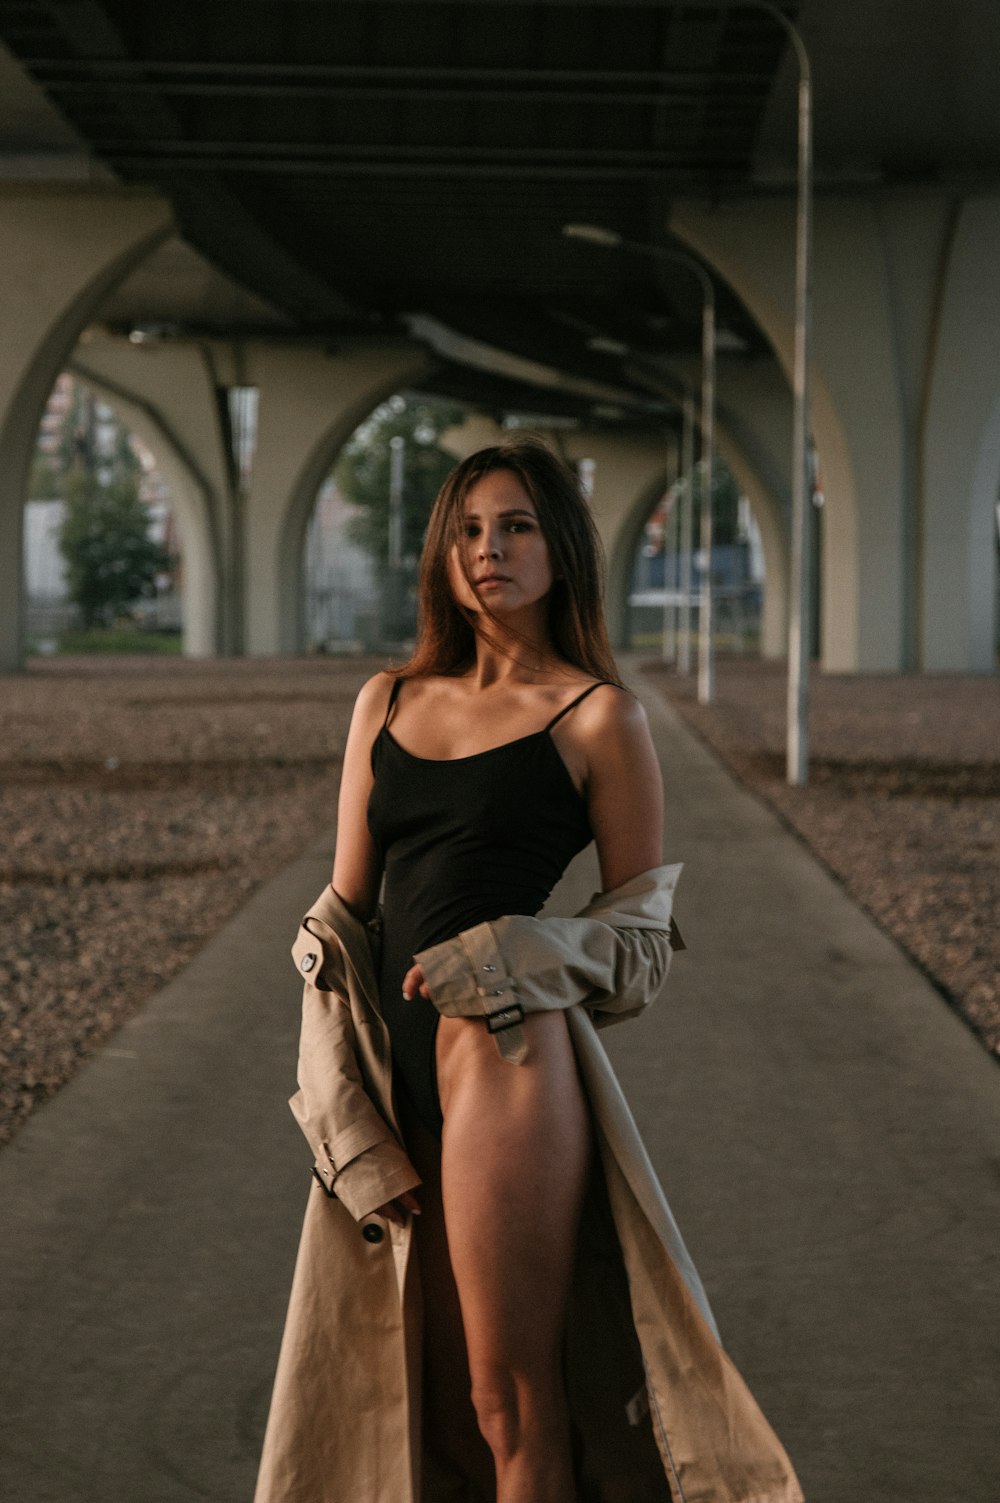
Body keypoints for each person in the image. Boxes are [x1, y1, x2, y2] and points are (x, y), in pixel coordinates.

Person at [254, 438, 803, 1503]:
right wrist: (337, 1100)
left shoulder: (599, 715)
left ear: (562, 550)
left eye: (513, 527)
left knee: (516, 1404)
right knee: (439, 1402)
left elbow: (641, 943)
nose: (486, 551)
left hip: (501, 1053)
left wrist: (526, 947)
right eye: (465, 530)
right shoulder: (387, 699)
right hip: (392, 1069)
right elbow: (345, 921)